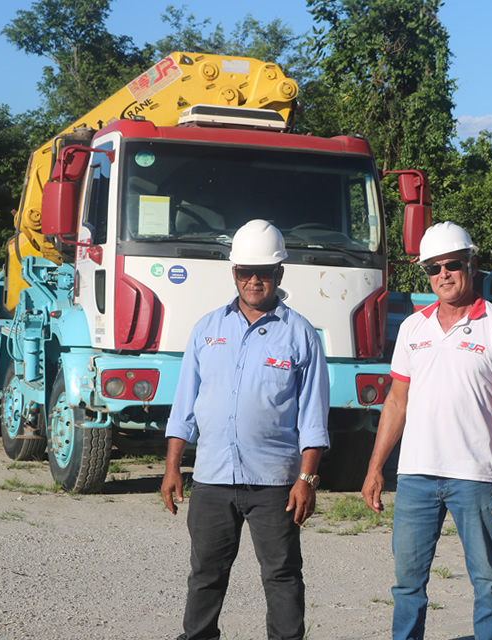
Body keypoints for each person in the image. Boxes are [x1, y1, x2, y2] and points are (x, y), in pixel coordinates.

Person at [162, 219, 330, 640]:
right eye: (245, 271)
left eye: (264, 272)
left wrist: (306, 480)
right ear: (233, 272)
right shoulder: (207, 330)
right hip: (212, 479)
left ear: (279, 274)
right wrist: (172, 467)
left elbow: (313, 419)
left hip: (275, 484)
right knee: (205, 574)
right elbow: (184, 407)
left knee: (282, 575)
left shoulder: (301, 336)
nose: (254, 281)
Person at [361, 221, 492, 640]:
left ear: (471, 263)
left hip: (474, 476)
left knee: (487, 581)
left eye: (451, 264)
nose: (443, 275)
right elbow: (395, 402)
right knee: (407, 585)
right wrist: (375, 467)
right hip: (415, 476)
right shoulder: (413, 328)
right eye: (433, 268)